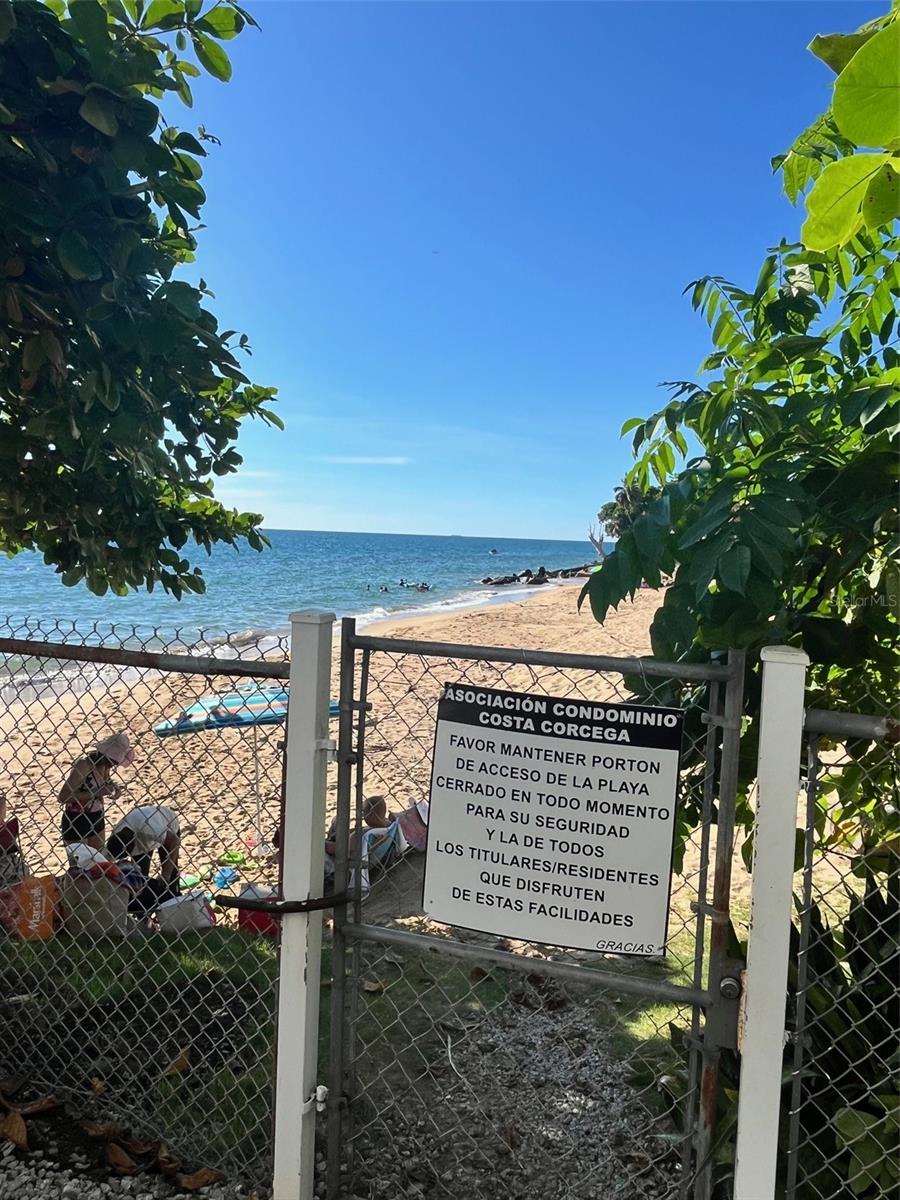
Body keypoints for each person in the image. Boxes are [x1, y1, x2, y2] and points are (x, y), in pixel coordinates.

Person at [59, 733, 134, 851]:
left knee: (98, 858)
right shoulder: (84, 764)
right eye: (112, 761)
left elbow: (105, 782)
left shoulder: (104, 765)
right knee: (80, 860)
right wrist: (96, 793)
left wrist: (114, 787)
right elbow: (63, 796)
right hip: (76, 818)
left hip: (96, 816)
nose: (112, 765)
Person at [106, 803, 181, 889]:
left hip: (167, 823)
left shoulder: (151, 830)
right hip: (142, 828)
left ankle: (173, 890)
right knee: (140, 877)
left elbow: (174, 842)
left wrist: (166, 874)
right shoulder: (116, 834)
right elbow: (108, 857)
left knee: (170, 873)